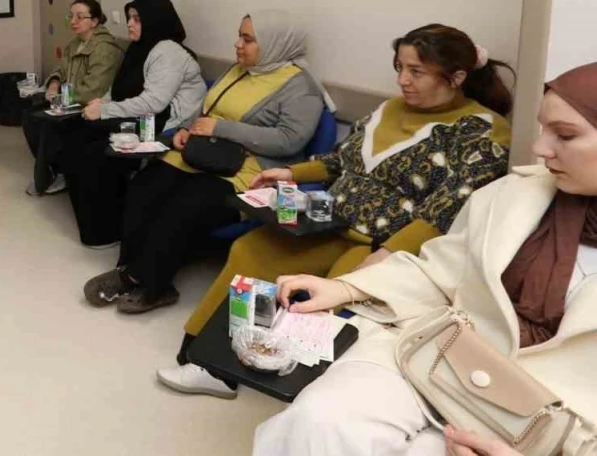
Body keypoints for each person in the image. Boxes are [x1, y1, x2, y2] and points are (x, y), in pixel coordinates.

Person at [251, 62, 597, 456]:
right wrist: (346, 288)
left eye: (565, 135)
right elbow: (441, 271)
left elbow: (433, 215)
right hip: (438, 350)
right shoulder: (516, 194)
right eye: (543, 129)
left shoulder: (478, 134)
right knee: (320, 421)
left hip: (552, 420)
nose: (540, 148)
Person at [158, 24, 514, 399]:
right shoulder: (390, 109)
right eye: (400, 68)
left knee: (333, 293)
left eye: (416, 71)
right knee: (251, 252)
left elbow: (449, 208)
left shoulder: (483, 131)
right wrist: (291, 173)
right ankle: (212, 363)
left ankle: (293, 381)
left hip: (387, 245)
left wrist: (387, 253)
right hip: (329, 221)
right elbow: (341, 160)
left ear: (456, 77)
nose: (402, 80)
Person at [83, 10, 329, 314]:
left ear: (275, 44)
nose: (238, 44)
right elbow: (206, 108)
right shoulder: (240, 70)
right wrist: (187, 130)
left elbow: (289, 140)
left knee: (185, 203)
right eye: (239, 36)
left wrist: (220, 129)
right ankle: (130, 265)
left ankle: (146, 282)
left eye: (248, 39)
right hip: (205, 153)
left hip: (248, 169)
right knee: (145, 185)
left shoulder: (300, 88)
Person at [59, 0, 207, 246]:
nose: (129, 24)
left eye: (137, 19)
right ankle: (96, 223)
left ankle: (106, 231)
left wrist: (105, 111)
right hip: (142, 115)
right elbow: (119, 88)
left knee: (94, 152)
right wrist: (103, 102)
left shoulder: (168, 51)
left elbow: (153, 103)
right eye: (129, 17)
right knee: (75, 135)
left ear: (154, 20)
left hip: (165, 124)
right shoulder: (139, 48)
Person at [23, 0, 125, 196]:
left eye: (80, 17)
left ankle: (57, 173)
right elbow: (61, 69)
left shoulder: (105, 49)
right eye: (71, 16)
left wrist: (59, 99)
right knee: (29, 115)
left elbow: (92, 91)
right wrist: (53, 83)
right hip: (69, 100)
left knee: (47, 123)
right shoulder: (75, 43)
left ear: (94, 21)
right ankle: (53, 170)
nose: (73, 21)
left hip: (89, 105)